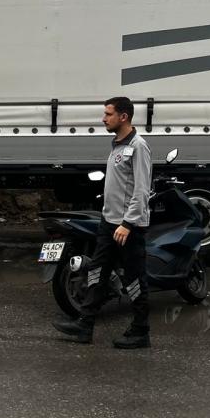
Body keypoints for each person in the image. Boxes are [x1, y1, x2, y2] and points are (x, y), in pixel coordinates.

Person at [53, 96, 153, 349]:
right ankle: (84, 325)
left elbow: (141, 190)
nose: (103, 118)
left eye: (108, 114)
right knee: (97, 272)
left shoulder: (139, 146)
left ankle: (141, 331)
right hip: (109, 224)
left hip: (127, 228)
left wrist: (128, 224)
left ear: (124, 117)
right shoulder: (118, 145)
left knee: (133, 279)